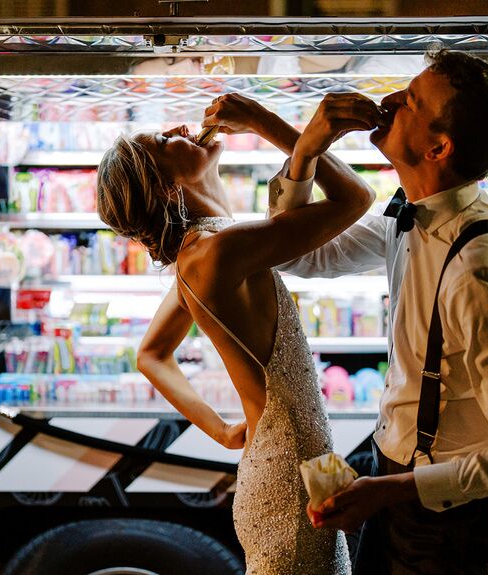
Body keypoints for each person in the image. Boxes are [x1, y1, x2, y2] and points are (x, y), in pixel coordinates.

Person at [266, 49, 488, 574]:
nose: (388, 102)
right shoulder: (410, 217)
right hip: (400, 495)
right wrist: (305, 153)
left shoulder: (485, 269)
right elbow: (301, 253)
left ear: (439, 146)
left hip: (464, 533)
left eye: (410, 102)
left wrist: (397, 489)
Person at [96, 92, 384, 573]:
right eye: (165, 140)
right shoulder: (217, 252)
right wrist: (263, 121)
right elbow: (357, 198)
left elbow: (151, 354)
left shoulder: (201, 253)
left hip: (294, 464)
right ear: (167, 188)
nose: (182, 129)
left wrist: (226, 431)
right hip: (291, 479)